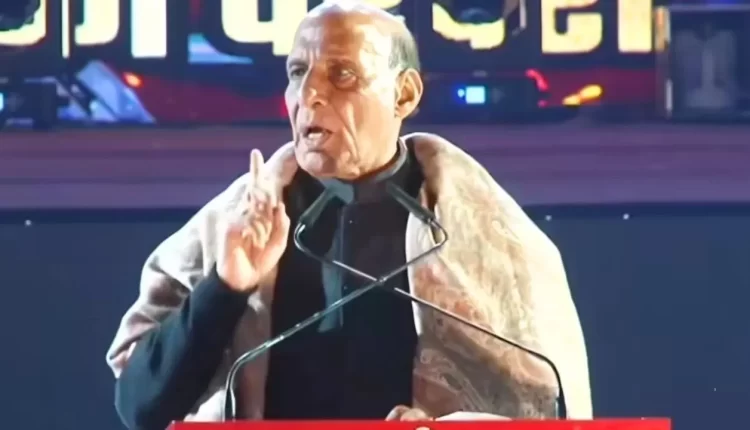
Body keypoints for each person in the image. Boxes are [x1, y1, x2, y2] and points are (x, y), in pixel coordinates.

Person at [106, 1, 592, 428]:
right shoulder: (235, 225)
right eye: (298, 73)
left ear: (404, 95)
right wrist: (226, 286)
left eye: (341, 75)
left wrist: (451, 424)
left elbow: (551, 408)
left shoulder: (488, 236)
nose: (308, 95)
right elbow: (141, 408)